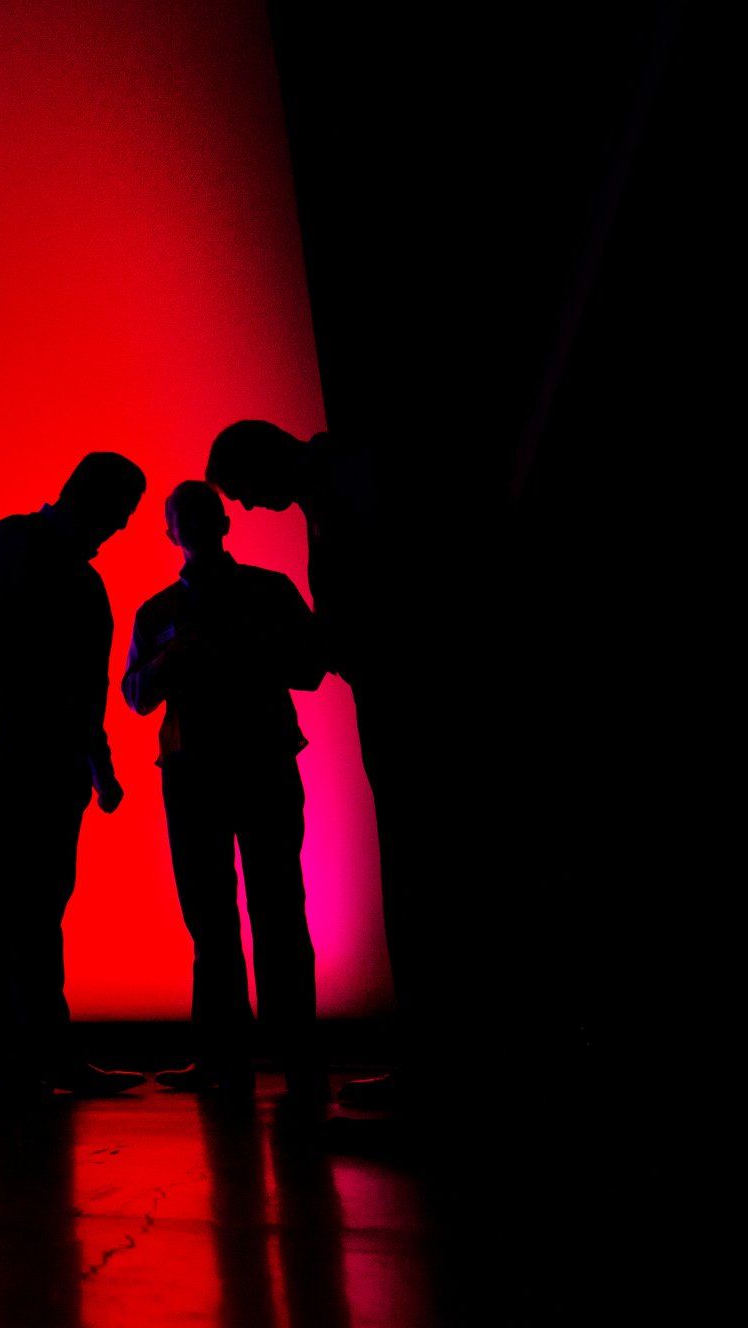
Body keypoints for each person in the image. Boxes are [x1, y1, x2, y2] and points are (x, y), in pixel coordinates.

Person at [206, 420, 435, 1110]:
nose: (248, 506)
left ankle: (435, 1067)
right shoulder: (337, 480)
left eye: (244, 490)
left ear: (263, 460)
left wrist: (325, 641)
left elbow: (389, 583)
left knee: (417, 858)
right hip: (391, 684)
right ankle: (434, 1062)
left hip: (402, 688)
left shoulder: (342, 481)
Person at [0, 452, 149, 1101]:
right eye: (118, 513)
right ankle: (0, 1056)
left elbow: (88, 688)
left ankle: (33, 1056)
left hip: (31, 754)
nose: (119, 527)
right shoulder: (22, 548)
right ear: (88, 498)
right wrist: (4, 726)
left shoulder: (62, 570)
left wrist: (96, 762)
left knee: (36, 902)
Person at [121, 481, 326, 1100]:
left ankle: (230, 1059)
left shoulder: (164, 609)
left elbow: (309, 667)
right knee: (260, 909)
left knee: (235, 913)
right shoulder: (263, 591)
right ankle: (287, 1058)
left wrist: (183, 657)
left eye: (198, 513)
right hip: (241, 764)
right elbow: (136, 695)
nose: (193, 524)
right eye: (188, 515)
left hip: (206, 770)